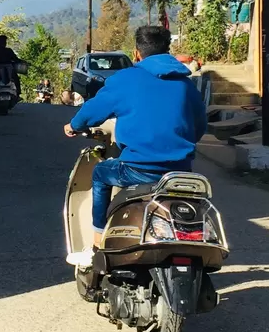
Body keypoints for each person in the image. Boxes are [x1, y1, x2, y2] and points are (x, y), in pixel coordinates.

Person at [63, 24, 207, 262]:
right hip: (180, 171)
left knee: (100, 173)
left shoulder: (127, 79)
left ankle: (97, 244)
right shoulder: (185, 83)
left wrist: (73, 126)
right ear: (167, 49)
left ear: (137, 53)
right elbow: (199, 126)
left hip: (138, 170)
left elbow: (92, 111)